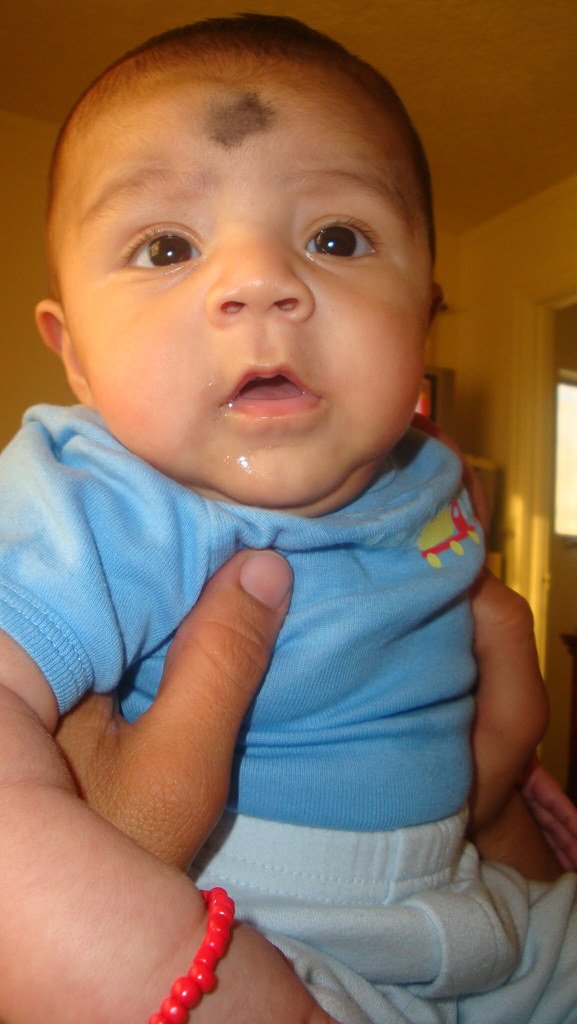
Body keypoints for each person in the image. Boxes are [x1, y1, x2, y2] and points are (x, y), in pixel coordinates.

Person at [0, 13, 575, 1023]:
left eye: (334, 238)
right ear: (76, 355)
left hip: (485, 904)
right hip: (261, 932)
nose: (260, 281)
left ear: (421, 317)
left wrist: (510, 788)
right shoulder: (99, 495)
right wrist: (134, 944)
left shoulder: (433, 475)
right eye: (166, 245)